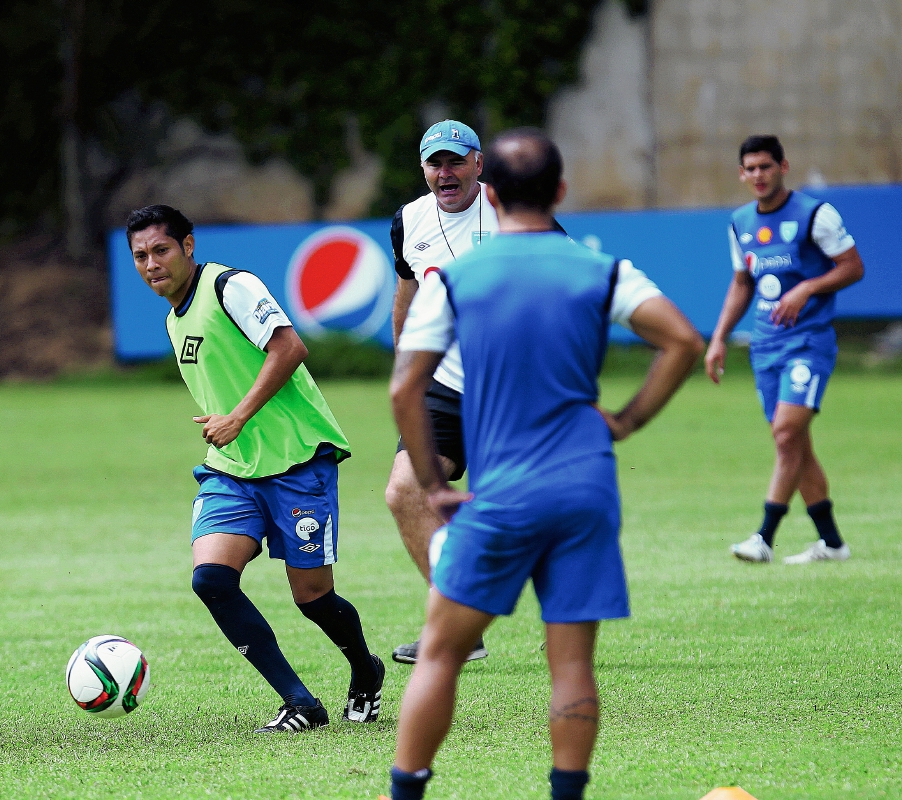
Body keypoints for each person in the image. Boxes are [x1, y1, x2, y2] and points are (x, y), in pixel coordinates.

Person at [385, 128, 702, 800]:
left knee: (441, 652)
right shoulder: (599, 268)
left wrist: (437, 488)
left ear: (489, 192)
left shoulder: (459, 280)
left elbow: (403, 387)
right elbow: (681, 341)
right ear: (559, 192)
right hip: (586, 487)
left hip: (504, 492)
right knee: (570, 666)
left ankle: (406, 792)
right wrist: (625, 420)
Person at [126, 204, 385, 732]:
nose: (151, 263)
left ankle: (365, 668)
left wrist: (238, 417)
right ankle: (301, 703)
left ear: (188, 246)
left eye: (161, 250)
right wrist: (231, 434)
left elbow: (290, 346)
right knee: (212, 580)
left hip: (297, 461)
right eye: (140, 256)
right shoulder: (174, 319)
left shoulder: (231, 287)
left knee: (312, 597)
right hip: (232, 468)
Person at [705, 135, 865, 564]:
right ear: (741, 173)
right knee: (795, 445)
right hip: (766, 348)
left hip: (808, 343)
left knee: (786, 433)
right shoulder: (740, 222)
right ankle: (832, 544)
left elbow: (853, 267)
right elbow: (742, 284)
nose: (758, 175)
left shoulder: (816, 214)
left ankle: (763, 537)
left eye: (765, 166)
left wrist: (808, 288)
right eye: (750, 168)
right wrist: (719, 337)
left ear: (783, 167)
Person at [385, 119, 495, 665]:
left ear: (478, 162)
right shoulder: (409, 220)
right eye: (435, 162)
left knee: (521, 509)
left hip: (509, 389)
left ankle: (568, 611)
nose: (444, 173)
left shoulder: (511, 211)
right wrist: (407, 366)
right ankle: (462, 624)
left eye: (455, 161)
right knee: (405, 493)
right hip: (443, 386)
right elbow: (407, 291)